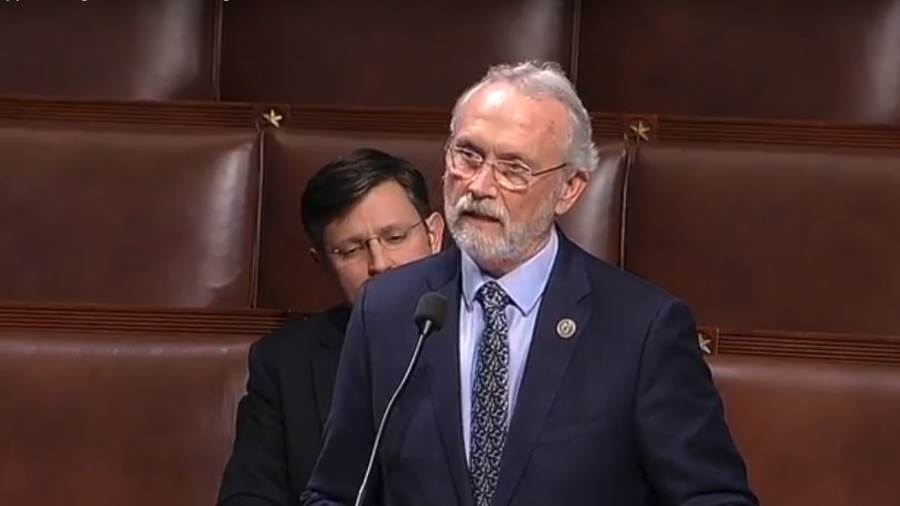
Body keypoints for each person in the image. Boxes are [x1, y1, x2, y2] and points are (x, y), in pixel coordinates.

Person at [302, 62, 758, 506]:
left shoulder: (642, 329)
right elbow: (336, 493)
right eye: (468, 155)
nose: (479, 185)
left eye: (513, 168)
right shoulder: (388, 309)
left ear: (569, 188)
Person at [216, 148, 445, 506]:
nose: (380, 264)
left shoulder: (487, 336)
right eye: (352, 250)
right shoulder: (285, 363)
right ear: (322, 263)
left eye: (396, 237)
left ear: (434, 234)